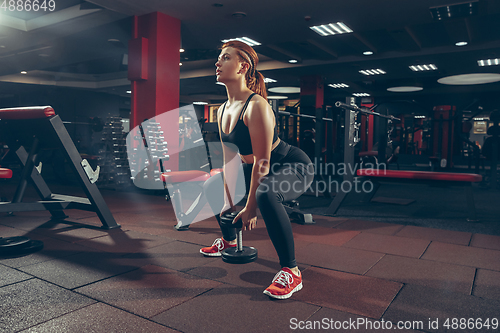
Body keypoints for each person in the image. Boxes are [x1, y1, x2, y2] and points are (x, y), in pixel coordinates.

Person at [199, 40, 314, 299]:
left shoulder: (256, 105)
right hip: (256, 167)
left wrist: (249, 207)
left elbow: (263, 161)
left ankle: (292, 271)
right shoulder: (223, 110)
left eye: (225, 58)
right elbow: (231, 158)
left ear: (243, 66)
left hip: (291, 165)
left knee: (265, 194)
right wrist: (228, 199)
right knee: (211, 185)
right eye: (219, 58)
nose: (217, 63)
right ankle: (228, 241)